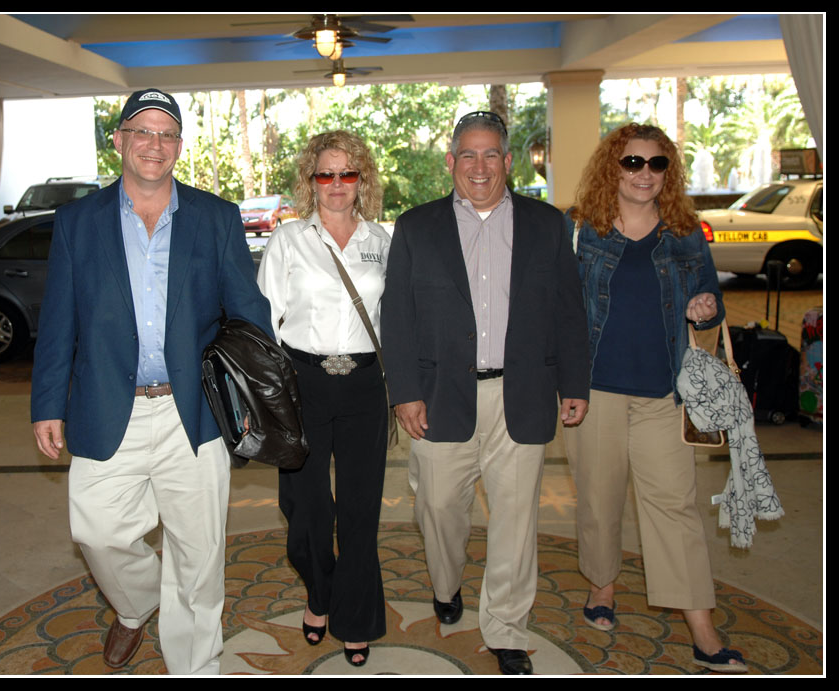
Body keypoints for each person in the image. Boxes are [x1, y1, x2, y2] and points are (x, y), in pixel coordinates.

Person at [30, 88, 272, 675]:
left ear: (179, 147)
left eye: (166, 134)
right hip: (106, 405)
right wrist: (47, 404)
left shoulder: (214, 217)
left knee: (200, 555)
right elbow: (59, 319)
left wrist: (251, 391)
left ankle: (197, 664)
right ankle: (137, 604)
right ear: (118, 140)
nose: (154, 144)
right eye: (142, 131)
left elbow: (248, 311)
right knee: (97, 531)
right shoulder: (77, 221)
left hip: (194, 412)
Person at [380, 111, 590, 675]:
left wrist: (574, 381)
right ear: (450, 162)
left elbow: (569, 310)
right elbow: (395, 317)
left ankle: (506, 629)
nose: (479, 166)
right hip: (439, 394)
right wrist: (404, 391)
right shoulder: (416, 227)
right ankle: (446, 584)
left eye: (490, 154)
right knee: (440, 507)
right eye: (467, 155)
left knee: (517, 519)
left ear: (507, 161)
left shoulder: (548, 225)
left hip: (521, 394)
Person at [564, 123, 748, 674]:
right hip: (594, 391)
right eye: (633, 163)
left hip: (666, 393)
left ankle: (702, 627)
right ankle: (603, 586)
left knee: (676, 507)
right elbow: (558, 308)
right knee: (599, 499)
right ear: (611, 169)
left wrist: (706, 309)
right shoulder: (581, 231)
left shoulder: (685, 232)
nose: (645, 173)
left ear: (668, 171)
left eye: (657, 164)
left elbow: (710, 295)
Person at [256, 131, 390, 667]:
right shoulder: (287, 240)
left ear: (363, 180)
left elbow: (394, 320)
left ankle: (354, 618)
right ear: (311, 182)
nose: (337, 185)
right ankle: (319, 592)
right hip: (302, 382)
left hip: (362, 385)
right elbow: (265, 324)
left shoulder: (383, 241)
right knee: (305, 509)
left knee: (360, 511)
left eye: (348, 173)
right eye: (326, 174)